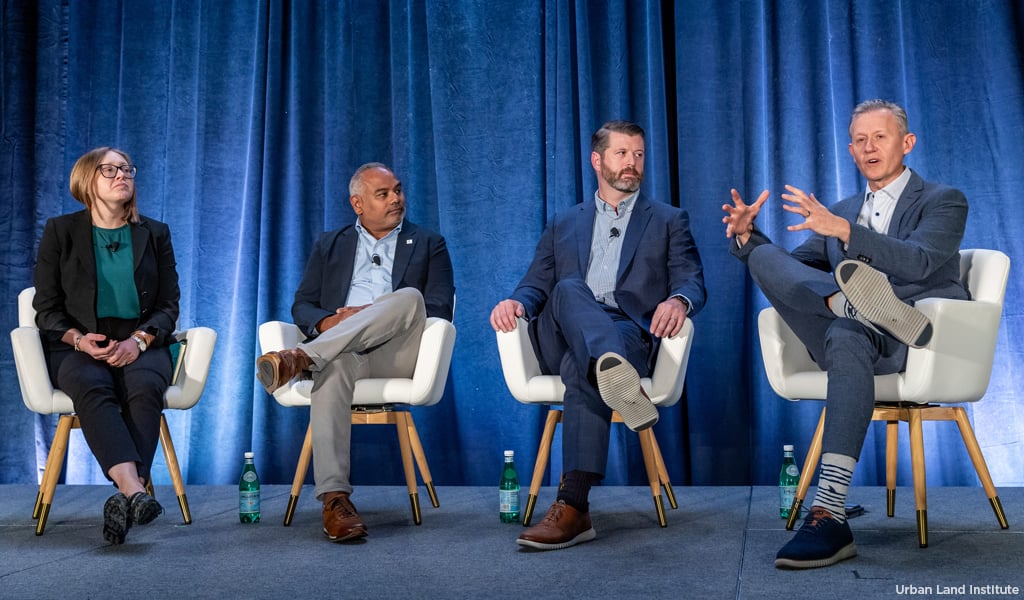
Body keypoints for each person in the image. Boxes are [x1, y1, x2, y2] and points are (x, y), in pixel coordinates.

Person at [723, 99, 968, 569]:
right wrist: (747, 236)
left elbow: (919, 261)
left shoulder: (943, 200)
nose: (868, 147)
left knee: (847, 335)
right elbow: (794, 273)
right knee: (768, 262)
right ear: (851, 152)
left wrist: (847, 233)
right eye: (859, 140)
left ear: (906, 143)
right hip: (845, 322)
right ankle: (847, 303)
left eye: (879, 137)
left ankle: (828, 507)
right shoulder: (842, 209)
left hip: (909, 338)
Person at [490, 120, 706, 551]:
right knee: (569, 287)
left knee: (581, 367)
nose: (632, 163)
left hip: (626, 331)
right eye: (622, 154)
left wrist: (678, 301)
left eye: (639, 155)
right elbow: (536, 283)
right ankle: (615, 373)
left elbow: (692, 280)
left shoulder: (667, 220)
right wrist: (514, 302)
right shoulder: (564, 222)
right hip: (562, 327)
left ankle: (574, 505)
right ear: (597, 160)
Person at [256, 162, 455, 543]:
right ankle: (335, 500)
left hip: (397, 352)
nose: (396, 199)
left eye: (397, 190)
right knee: (335, 366)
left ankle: (299, 358)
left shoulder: (429, 243)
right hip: (344, 353)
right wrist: (332, 324)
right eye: (383, 194)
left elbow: (439, 307)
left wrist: (364, 314)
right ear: (358, 204)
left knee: (409, 297)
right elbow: (303, 306)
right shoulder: (331, 243)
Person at [33, 147, 180, 544]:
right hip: (79, 345)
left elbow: (169, 305)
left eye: (127, 169)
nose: (122, 176)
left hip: (141, 343)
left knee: (145, 387)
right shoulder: (60, 232)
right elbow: (44, 311)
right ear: (86, 181)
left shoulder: (154, 233)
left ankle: (123, 494)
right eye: (109, 170)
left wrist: (140, 340)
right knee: (93, 386)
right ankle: (136, 492)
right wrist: (79, 340)